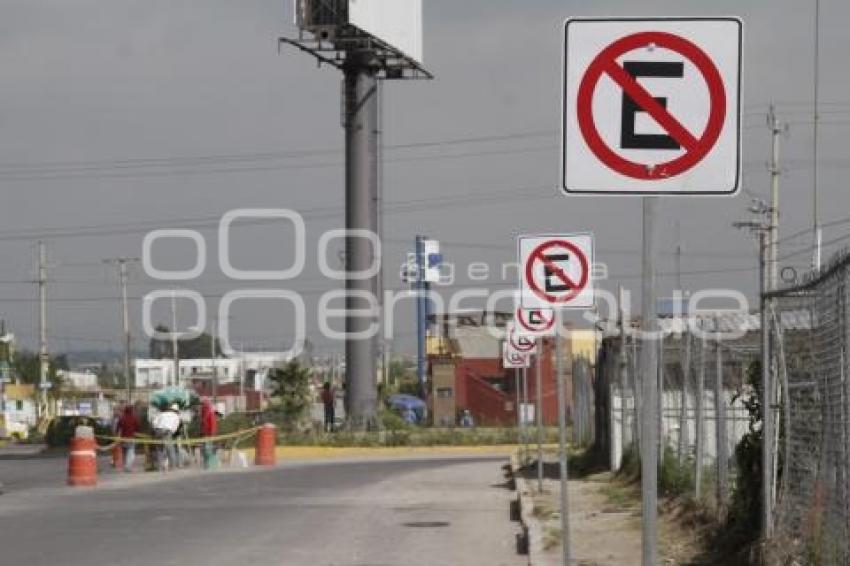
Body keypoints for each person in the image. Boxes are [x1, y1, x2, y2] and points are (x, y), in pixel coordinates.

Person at [152, 404, 181, 471]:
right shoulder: (176, 416)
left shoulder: (162, 414)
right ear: (176, 411)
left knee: (159, 450)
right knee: (170, 450)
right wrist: (170, 433)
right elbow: (175, 428)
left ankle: (160, 467)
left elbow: (154, 422)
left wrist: (156, 429)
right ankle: (173, 467)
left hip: (158, 431)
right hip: (167, 432)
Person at [116, 405, 139, 472]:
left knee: (124, 453)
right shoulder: (134, 418)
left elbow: (118, 427)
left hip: (123, 438)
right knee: (131, 453)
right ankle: (128, 467)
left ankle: (125, 466)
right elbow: (138, 427)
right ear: (131, 411)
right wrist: (136, 432)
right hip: (131, 438)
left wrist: (117, 435)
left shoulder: (122, 418)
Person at [200, 398, 218, 470]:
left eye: (203, 404)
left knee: (208, 450)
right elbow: (203, 424)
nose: (202, 406)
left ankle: (210, 464)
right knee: (204, 450)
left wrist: (212, 435)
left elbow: (213, 424)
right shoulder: (203, 413)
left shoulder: (210, 412)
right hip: (205, 434)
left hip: (209, 435)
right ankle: (206, 464)